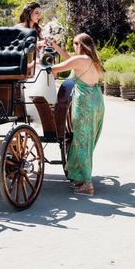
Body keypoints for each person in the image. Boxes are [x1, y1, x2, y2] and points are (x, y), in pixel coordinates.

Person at [46, 33, 105, 196]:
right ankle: (80, 177)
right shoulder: (93, 60)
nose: (73, 47)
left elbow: (56, 68)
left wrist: (38, 64)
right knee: (87, 141)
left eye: (75, 44)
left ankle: (87, 184)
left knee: (82, 142)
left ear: (81, 45)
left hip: (84, 103)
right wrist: (57, 48)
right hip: (97, 102)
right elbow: (69, 59)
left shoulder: (80, 60)